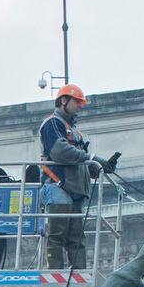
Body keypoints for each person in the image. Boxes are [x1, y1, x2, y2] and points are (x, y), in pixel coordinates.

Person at [38, 86, 98, 269]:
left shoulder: (74, 130)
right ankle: (54, 273)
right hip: (58, 186)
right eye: (77, 102)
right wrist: (91, 158)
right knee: (57, 234)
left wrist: (96, 167)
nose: (80, 106)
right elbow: (60, 152)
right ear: (64, 101)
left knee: (76, 237)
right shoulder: (52, 124)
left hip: (74, 190)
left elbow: (79, 161)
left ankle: (78, 274)